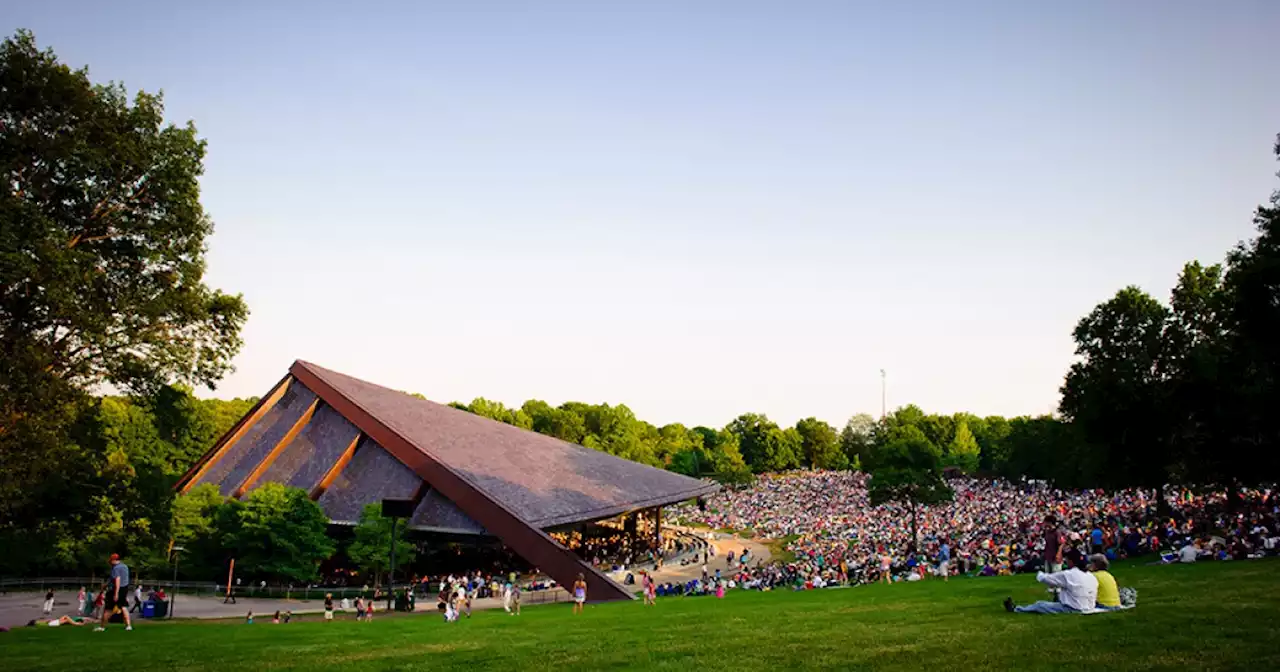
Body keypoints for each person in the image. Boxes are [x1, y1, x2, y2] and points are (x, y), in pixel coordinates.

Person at [1004, 558, 1098, 614]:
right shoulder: (1091, 576)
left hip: (1074, 608)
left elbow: (1047, 579)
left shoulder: (1069, 574)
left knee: (1040, 605)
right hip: (1090, 606)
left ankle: (1016, 609)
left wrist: (1039, 573)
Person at [95, 553, 132, 632]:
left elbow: (117, 580)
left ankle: (102, 627)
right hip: (124, 589)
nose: (110, 563)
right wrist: (106, 584)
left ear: (114, 560)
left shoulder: (116, 568)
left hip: (115, 589)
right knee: (123, 606)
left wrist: (116, 593)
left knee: (108, 609)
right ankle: (128, 626)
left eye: (111, 561)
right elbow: (117, 579)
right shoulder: (125, 566)